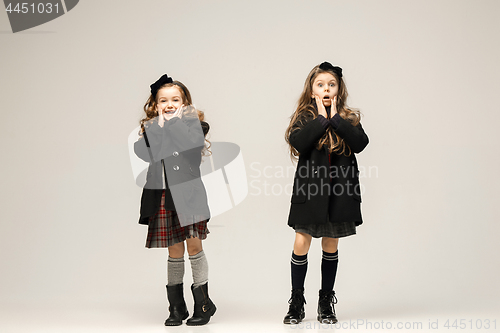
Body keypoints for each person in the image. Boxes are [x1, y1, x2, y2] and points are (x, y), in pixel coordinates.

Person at [283, 62, 369, 324]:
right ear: (312, 91)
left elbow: (360, 143)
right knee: (301, 243)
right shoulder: (304, 118)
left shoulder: (349, 118)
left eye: (331, 84)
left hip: (340, 194)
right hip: (310, 193)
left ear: (339, 89)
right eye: (320, 85)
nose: (326, 88)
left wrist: (336, 120)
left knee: (330, 245)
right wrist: (322, 118)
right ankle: (296, 301)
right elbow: (298, 143)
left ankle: (325, 302)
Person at [134, 74, 216, 326]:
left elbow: (191, 144)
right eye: (163, 101)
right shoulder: (153, 129)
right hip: (162, 198)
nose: (169, 105)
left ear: (185, 103)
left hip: (188, 198)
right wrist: (157, 125)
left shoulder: (195, 126)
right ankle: (176, 308)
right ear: (155, 105)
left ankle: (203, 304)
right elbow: (142, 152)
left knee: (193, 247)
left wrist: (172, 123)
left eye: (175, 100)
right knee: (174, 252)